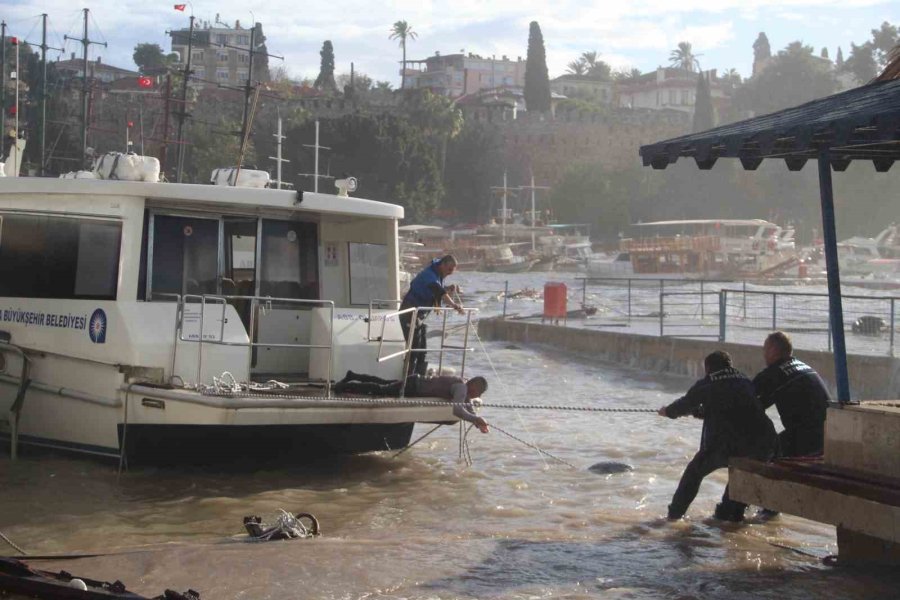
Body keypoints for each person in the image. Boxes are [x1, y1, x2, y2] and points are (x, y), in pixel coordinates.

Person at [658, 350, 776, 522]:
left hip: (726, 444)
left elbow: (684, 404)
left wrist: (667, 411)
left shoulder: (708, 382)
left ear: (708, 368)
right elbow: (737, 407)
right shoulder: (744, 380)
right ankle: (732, 516)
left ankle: (674, 516)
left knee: (694, 473)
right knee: (737, 482)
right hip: (762, 443)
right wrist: (705, 411)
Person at [753, 331, 831, 458]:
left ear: (773, 350)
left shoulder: (773, 374)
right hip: (829, 436)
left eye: (765, 349)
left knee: (759, 453)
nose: (764, 354)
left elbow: (747, 401)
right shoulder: (806, 367)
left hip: (805, 440)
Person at [333, 371, 490, 433]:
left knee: (385, 382)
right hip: (414, 386)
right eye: (480, 392)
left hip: (415, 381)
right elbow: (457, 410)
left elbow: (468, 406)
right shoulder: (462, 388)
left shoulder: (465, 389)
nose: (478, 395)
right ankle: (343, 386)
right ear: (474, 386)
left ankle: (352, 375)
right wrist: (476, 419)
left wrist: (478, 423)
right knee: (381, 389)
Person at [399, 255, 464, 377]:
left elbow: (439, 290)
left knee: (422, 349)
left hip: (420, 316)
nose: (450, 273)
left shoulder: (438, 274)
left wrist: (448, 288)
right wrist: (454, 305)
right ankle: (408, 379)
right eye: (449, 270)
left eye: (452, 271)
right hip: (409, 313)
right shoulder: (429, 274)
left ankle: (419, 377)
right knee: (413, 348)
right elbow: (439, 292)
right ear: (443, 265)